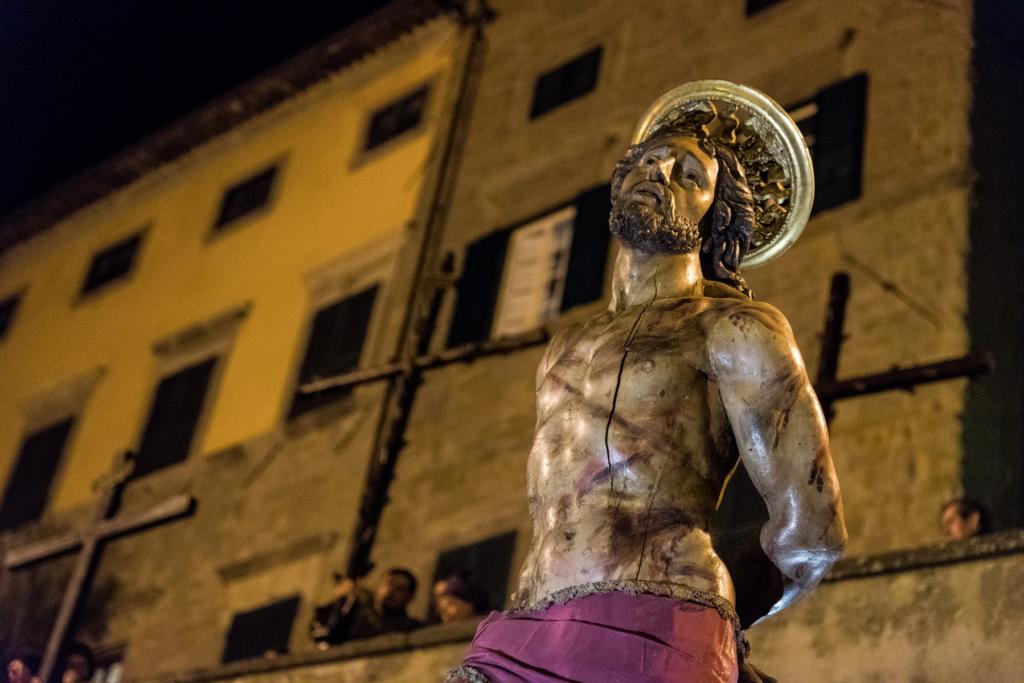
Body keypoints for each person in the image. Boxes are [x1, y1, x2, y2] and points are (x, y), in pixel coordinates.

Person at [447, 83, 846, 683]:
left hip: (656, 619)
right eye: (644, 159)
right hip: (522, 627)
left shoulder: (734, 328)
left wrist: (710, 618)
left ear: (716, 217)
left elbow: (812, 532)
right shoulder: (564, 346)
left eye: (689, 173)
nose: (658, 170)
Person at [310, 567, 421, 646]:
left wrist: (367, 605)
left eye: (400, 588)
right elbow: (325, 634)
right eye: (389, 584)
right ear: (379, 587)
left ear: (410, 597)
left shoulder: (413, 627)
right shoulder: (357, 621)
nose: (391, 591)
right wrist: (341, 600)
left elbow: (387, 638)